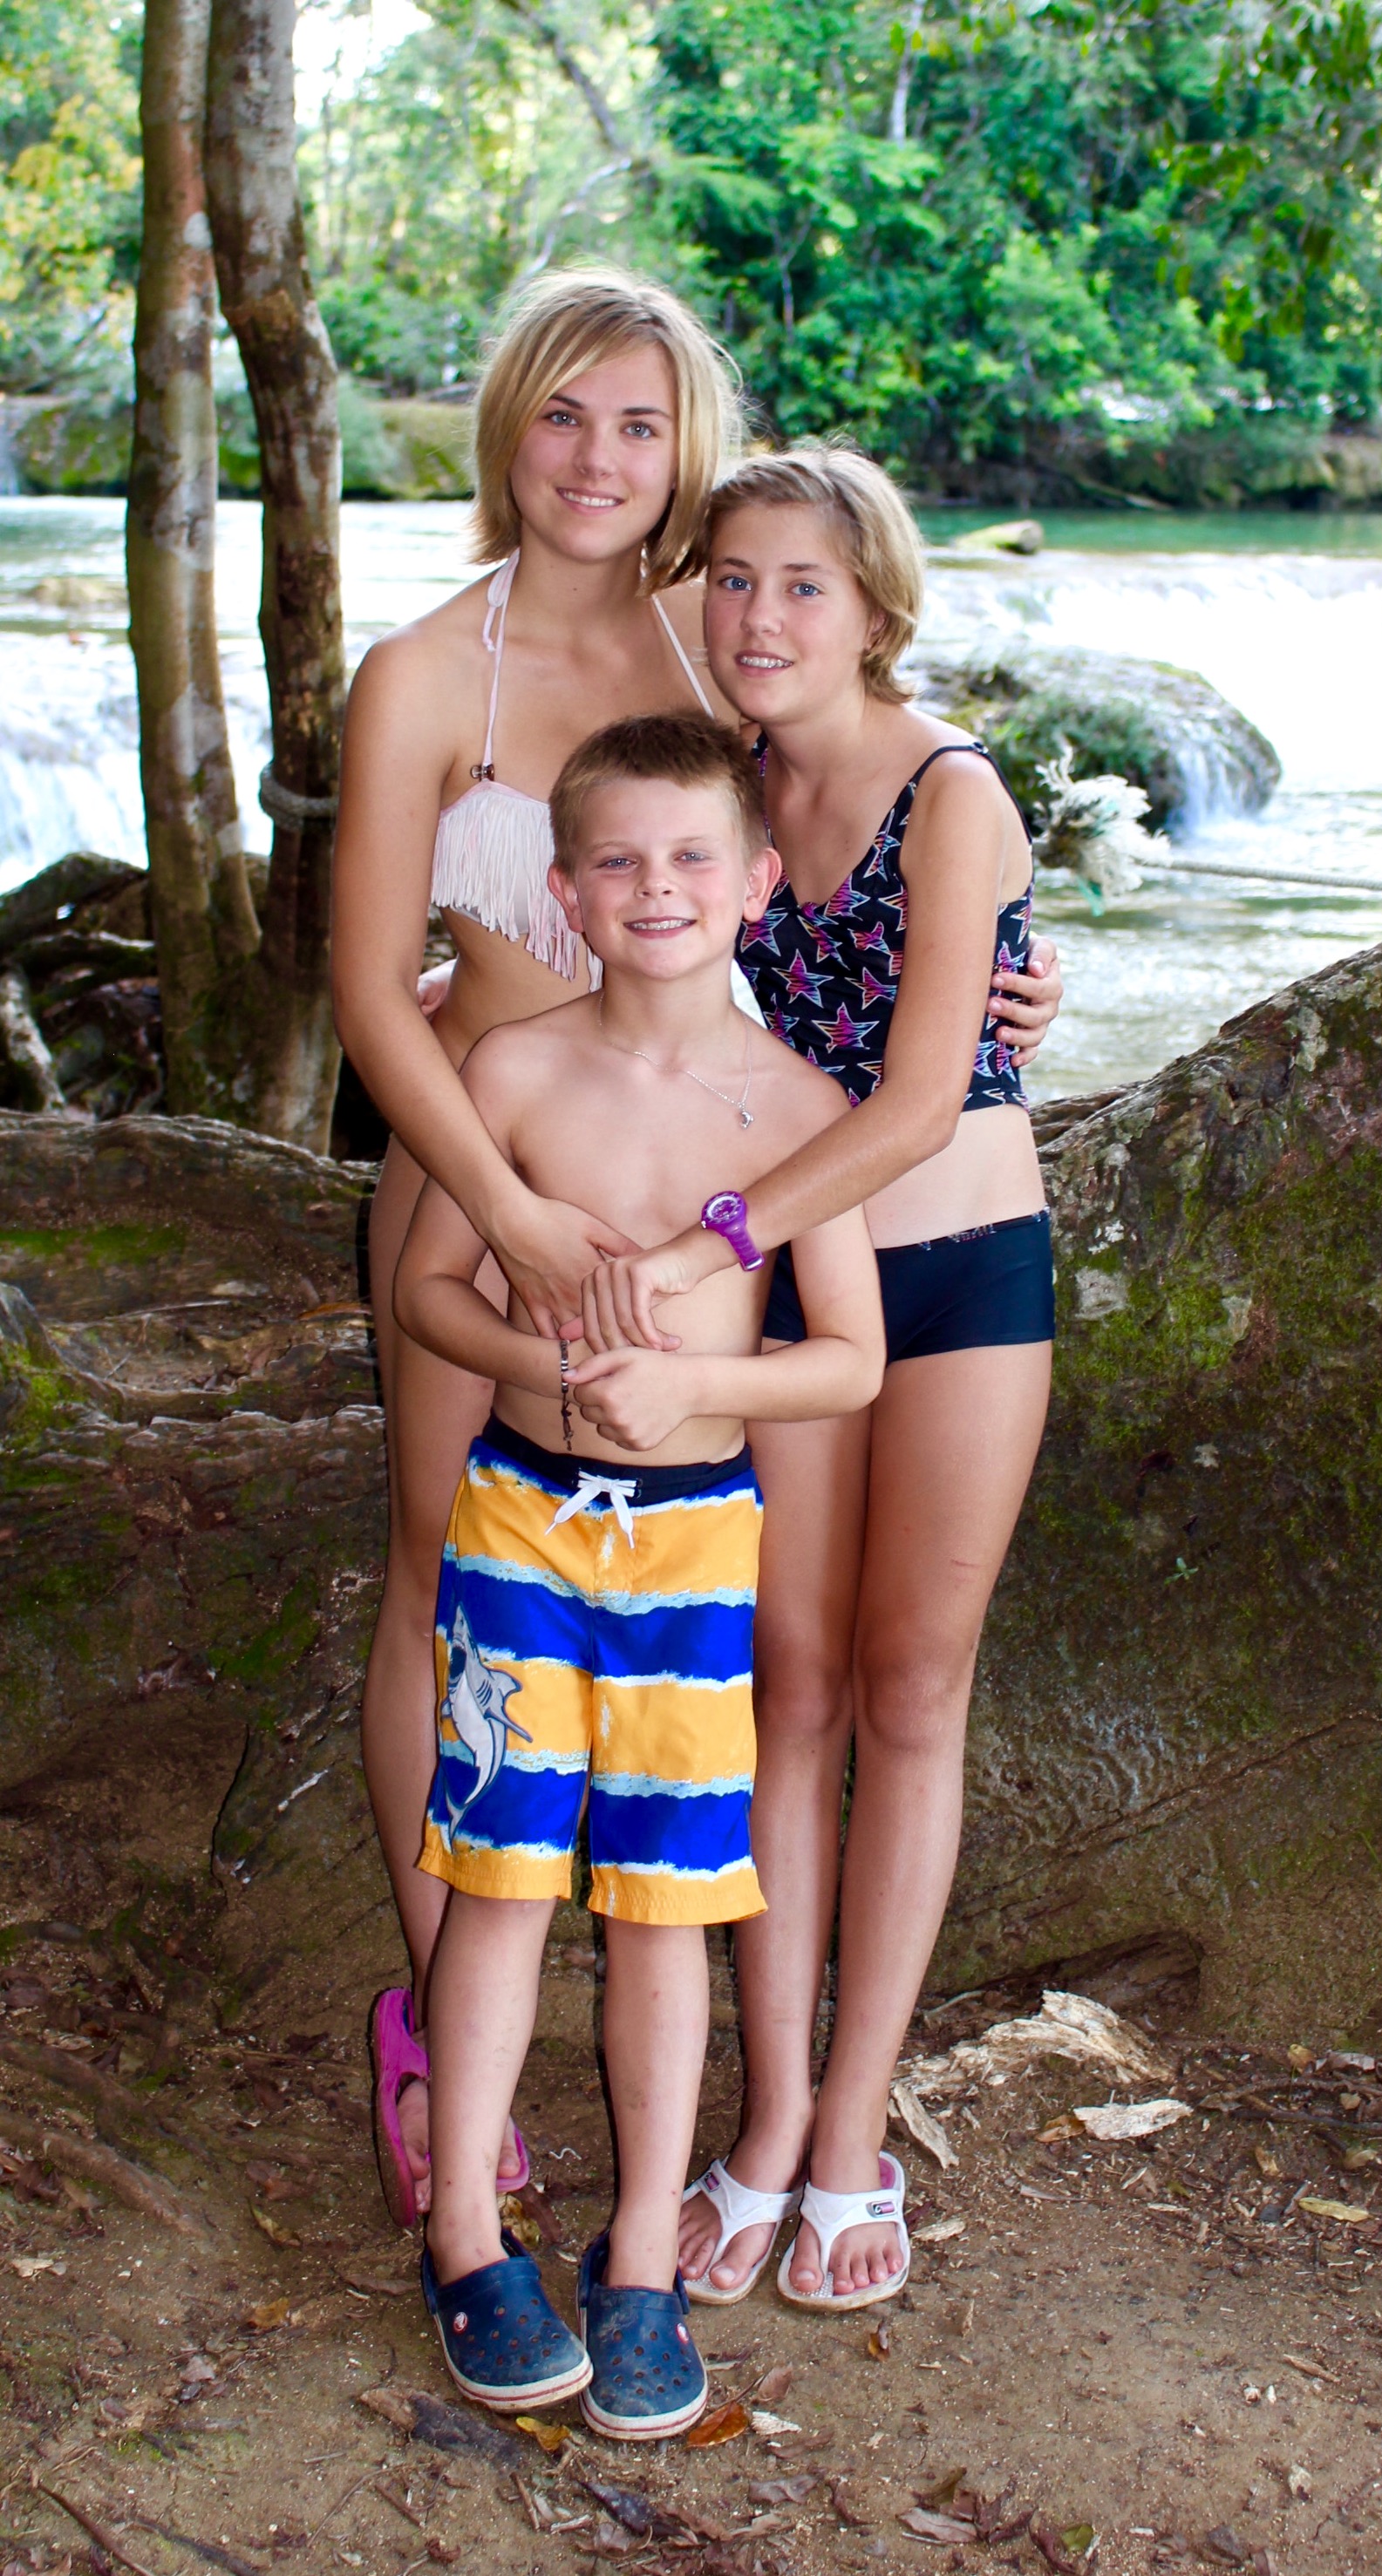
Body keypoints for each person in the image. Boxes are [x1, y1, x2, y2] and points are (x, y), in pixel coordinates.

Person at [330, 267, 1065, 2233]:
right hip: (486, 1170)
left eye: (640, 425)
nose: (597, 458)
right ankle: (449, 2035)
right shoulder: (425, 672)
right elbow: (374, 993)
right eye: (564, 413)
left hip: (713, 1217)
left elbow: (849, 851)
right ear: (506, 422)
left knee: (724, 1621)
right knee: (445, 1571)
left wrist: (1007, 971)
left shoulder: (714, 640)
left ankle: (759, 2111)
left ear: (688, 455)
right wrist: (508, 1210)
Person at [575, 449, 1055, 2312]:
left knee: (912, 1687)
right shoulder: (719, 789)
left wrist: (706, 1242)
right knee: (788, 1686)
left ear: (875, 610)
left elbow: (923, 1098)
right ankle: (768, 2121)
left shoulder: (956, 793)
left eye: (804, 586)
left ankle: (857, 2129)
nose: (760, 617)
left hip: (956, 1270)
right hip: (786, 1294)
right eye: (734, 579)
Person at [393, 712, 883, 2428]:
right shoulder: (512, 1073)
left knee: (669, 1897)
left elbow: (849, 1364)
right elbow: (429, 1295)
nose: (654, 888)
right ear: (564, 891)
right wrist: (534, 1347)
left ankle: (644, 2270)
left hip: (696, 1543)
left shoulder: (799, 1109)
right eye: (616, 860)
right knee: (504, 1875)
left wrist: (694, 1387)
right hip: (521, 1522)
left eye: (690, 858)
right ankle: (464, 2236)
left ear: (756, 883)